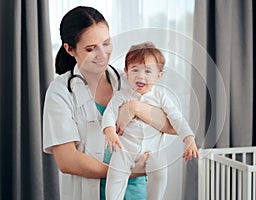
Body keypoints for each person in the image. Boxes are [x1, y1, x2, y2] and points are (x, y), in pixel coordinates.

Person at [42, 6, 176, 200]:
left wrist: (134, 107)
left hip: (138, 192)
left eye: (106, 43)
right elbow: (67, 161)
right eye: (90, 49)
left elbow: (171, 126)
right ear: (69, 49)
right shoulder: (61, 91)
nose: (102, 54)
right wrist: (125, 172)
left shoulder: (128, 80)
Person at [102, 41, 200, 200]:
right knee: (115, 174)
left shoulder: (161, 97)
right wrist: (110, 132)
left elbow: (176, 118)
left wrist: (189, 139)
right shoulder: (121, 96)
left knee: (160, 173)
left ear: (158, 76)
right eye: (135, 70)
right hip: (125, 149)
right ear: (126, 71)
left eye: (148, 71)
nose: (141, 76)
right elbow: (109, 114)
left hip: (153, 150)